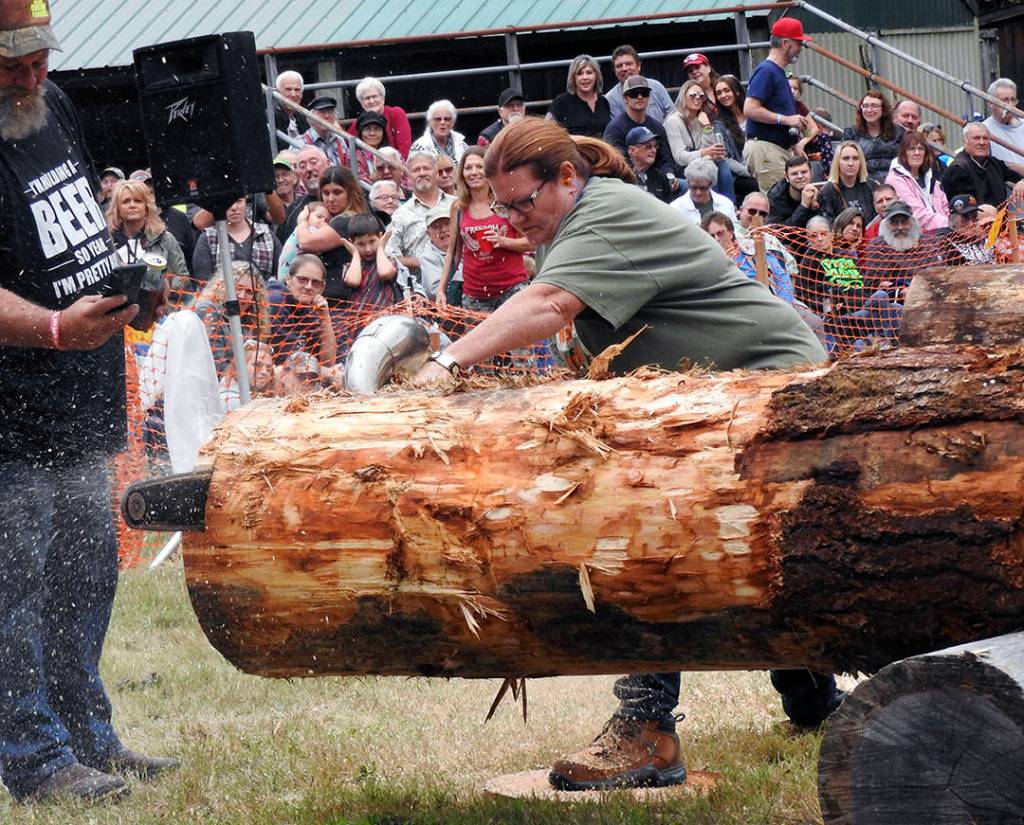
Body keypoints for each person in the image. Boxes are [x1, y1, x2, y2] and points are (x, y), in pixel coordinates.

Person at [410, 118, 836, 791]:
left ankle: (647, 727)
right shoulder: (571, 227)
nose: (518, 217)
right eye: (505, 206)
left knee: (651, 533)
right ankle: (813, 694)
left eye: (525, 201)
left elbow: (548, 305)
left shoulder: (606, 212)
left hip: (769, 384)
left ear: (568, 177)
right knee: (754, 548)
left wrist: (445, 362)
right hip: (718, 390)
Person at [0, 3, 178, 804]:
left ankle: (87, 731)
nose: (33, 76)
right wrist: (48, 324)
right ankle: (33, 758)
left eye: (40, 56)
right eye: (13, 64)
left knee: (84, 575)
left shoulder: (55, 103)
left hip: (80, 395)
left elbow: (82, 228)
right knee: (14, 590)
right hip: (9, 411)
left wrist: (129, 287)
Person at [437, 146, 533, 313]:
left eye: (479, 167)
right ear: (461, 174)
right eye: (468, 168)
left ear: (489, 170)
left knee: (518, 339)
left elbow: (532, 243)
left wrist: (504, 241)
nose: (473, 172)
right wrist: (441, 289)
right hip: (475, 295)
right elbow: (453, 253)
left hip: (512, 289)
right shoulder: (459, 207)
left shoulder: (505, 202)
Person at [743, 17, 812, 192]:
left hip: (776, 148)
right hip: (766, 149)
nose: (800, 48)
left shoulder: (777, 71)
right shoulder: (767, 71)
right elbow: (749, 109)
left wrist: (795, 147)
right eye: (799, 43)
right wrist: (786, 119)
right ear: (786, 43)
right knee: (775, 206)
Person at [293, 165, 370, 301]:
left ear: (350, 192)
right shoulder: (345, 217)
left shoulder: (346, 220)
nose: (330, 199)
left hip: (342, 301)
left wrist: (302, 221)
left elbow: (306, 242)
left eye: (337, 192)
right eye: (326, 193)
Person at [385, 151, 456, 276]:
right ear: (408, 175)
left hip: (462, 281)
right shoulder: (401, 214)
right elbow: (389, 256)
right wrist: (421, 263)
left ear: (436, 172)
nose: (422, 173)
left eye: (426, 168)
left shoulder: (456, 205)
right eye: (416, 170)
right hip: (421, 290)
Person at [194, 261, 272, 376]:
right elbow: (214, 364)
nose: (242, 296)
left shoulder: (253, 321)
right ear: (223, 286)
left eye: (249, 292)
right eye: (238, 288)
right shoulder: (209, 311)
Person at [663, 79, 735, 202]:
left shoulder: (701, 117)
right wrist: (705, 153)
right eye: (693, 95)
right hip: (681, 168)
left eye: (701, 96)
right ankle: (714, 208)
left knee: (721, 163)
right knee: (708, 170)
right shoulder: (673, 121)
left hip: (700, 163)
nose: (697, 98)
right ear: (683, 96)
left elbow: (709, 148)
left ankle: (730, 206)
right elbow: (680, 157)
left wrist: (707, 127)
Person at [701, 212, 795, 304]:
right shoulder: (707, 265)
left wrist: (784, 305)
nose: (716, 239)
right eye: (712, 236)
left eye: (720, 233)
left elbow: (782, 278)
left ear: (730, 232)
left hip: (774, 301)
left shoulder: (754, 248)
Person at [106, 179, 187, 282]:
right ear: (117, 209)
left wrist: (160, 285)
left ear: (146, 207)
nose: (132, 205)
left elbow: (183, 280)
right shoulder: (106, 243)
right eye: (126, 201)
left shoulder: (165, 239)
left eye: (138, 201)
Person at [192, 194, 281, 285]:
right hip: (220, 297)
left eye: (239, 201)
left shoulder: (267, 235)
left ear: (246, 201)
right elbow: (203, 284)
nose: (234, 207)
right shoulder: (208, 238)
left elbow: (280, 278)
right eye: (228, 202)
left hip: (262, 297)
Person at [267, 253, 337, 367]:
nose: (309, 286)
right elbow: (288, 362)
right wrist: (325, 372)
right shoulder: (276, 301)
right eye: (302, 279)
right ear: (289, 280)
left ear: (322, 288)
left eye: (315, 282)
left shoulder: (309, 308)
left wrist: (325, 318)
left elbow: (328, 362)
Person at [603, 75, 675, 175]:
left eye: (644, 93)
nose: (640, 97)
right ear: (625, 98)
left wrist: (669, 175)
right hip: (627, 179)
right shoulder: (615, 129)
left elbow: (665, 159)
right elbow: (617, 163)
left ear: (649, 97)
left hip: (658, 180)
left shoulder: (657, 127)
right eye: (634, 94)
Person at [942, 122, 1024, 207]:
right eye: (976, 138)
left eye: (985, 138)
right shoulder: (957, 170)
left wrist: (1022, 182)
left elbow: (1015, 176)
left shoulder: (994, 163)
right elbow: (961, 209)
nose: (982, 142)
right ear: (965, 141)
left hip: (1001, 217)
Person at [884, 131, 949, 232]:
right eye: (912, 149)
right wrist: (949, 224)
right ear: (903, 153)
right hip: (916, 236)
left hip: (943, 232)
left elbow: (945, 206)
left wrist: (954, 222)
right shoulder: (895, 179)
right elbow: (917, 214)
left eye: (920, 149)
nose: (917, 153)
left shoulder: (929, 177)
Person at [338, 213, 402, 313]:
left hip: (385, 322)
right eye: (360, 244)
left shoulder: (389, 262)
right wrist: (355, 254)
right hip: (358, 323)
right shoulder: (350, 267)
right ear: (352, 243)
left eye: (372, 241)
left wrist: (380, 248)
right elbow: (353, 281)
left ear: (380, 237)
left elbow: (385, 273)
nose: (368, 249)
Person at [841, 90, 904, 184]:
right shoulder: (851, 133)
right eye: (865, 106)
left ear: (883, 109)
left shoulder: (898, 131)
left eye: (874, 106)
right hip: (862, 182)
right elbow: (843, 160)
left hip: (895, 180)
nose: (869, 110)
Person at [548, 54, 612, 138]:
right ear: (573, 78)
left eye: (589, 73)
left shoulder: (604, 102)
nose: (585, 77)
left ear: (596, 76)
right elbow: (548, 132)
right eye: (579, 73)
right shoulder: (561, 102)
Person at [604, 45, 674, 121]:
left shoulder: (656, 87)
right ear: (614, 71)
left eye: (628, 64)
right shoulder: (611, 99)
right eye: (619, 66)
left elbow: (672, 115)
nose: (624, 69)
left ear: (639, 66)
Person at [347, 76, 412, 159]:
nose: (371, 101)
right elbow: (347, 145)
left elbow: (405, 149)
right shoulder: (358, 123)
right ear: (361, 103)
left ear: (383, 98)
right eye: (367, 98)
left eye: (374, 96)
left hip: (395, 165)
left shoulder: (396, 114)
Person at [818, 141, 876, 223]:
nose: (851, 163)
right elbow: (828, 223)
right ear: (837, 162)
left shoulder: (871, 186)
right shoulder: (828, 191)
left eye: (855, 158)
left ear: (861, 162)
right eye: (846, 158)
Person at [669, 156, 737, 224]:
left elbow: (735, 231)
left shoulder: (726, 204)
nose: (698, 193)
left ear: (711, 184)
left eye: (703, 188)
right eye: (693, 187)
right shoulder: (675, 208)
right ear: (688, 182)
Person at [936, 194, 996, 265]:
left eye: (974, 216)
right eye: (965, 218)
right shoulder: (945, 242)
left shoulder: (981, 239)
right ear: (953, 218)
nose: (971, 223)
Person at [767, 155, 821, 227]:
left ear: (812, 173)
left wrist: (815, 207)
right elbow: (781, 232)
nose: (800, 176)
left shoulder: (821, 189)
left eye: (804, 172)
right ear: (786, 177)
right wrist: (803, 206)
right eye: (794, 174)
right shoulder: (776, 196)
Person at [982, 78, 1024, 169]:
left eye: (1013, 100)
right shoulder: (984, 130)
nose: (1010, 105)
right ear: (991, 103)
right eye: (1004, 100)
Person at [625, 126, 673, 204]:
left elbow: (669, 206)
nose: (654, 150)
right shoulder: (621, 175)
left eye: (655, 146)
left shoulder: (660, 177)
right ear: (633, 150)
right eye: (648, 146)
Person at [298, 96, 350, 168]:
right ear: (311, 117)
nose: (327, 116)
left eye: (330, 112)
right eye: (321, 112)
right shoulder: (300, 142)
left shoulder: (339, 140)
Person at [418, 203, 455, 301]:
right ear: (428, 234)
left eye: (447, 224)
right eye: (436, 226)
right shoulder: (428, 257)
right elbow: (435, 291)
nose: (443, 230)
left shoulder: (467, 246)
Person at [274, 69, 309, 150]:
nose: (293, 94)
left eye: (297, 90)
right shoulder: (270, 118)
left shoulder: (304, 117)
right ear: (277, 92)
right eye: (288, 89)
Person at [353, 110, 389, 184]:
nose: (372, 133)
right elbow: (358, 183)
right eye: (367, 129)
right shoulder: (353, 156)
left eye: (377, 129)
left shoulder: (391, 153)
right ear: (361, 133)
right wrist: (371, 178)